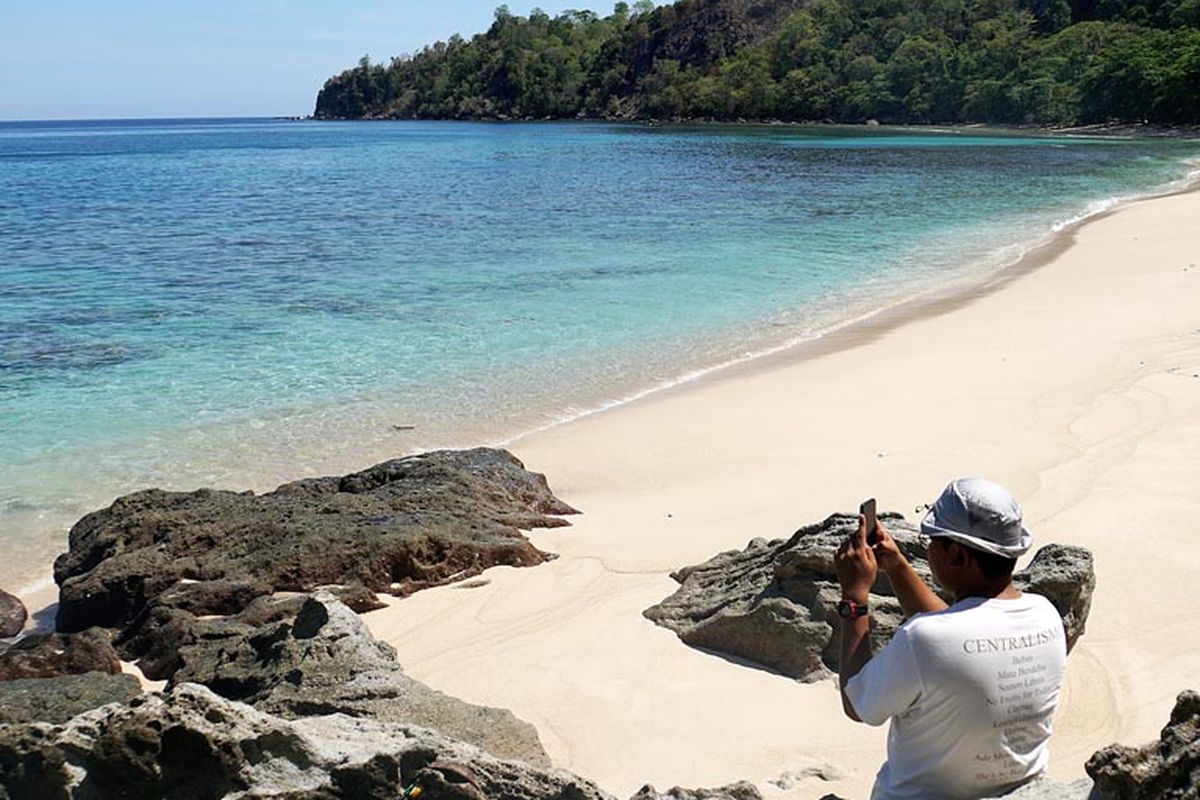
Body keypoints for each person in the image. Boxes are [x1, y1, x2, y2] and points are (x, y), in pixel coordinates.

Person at [833, 478, 1068, 800]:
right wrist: (897, 567)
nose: (927, 548)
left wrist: (854, 596)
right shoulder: (1046, 615)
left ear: (957, 555)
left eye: (931, 540)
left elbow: (858, 703)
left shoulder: (924, 640)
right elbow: (956, 634)